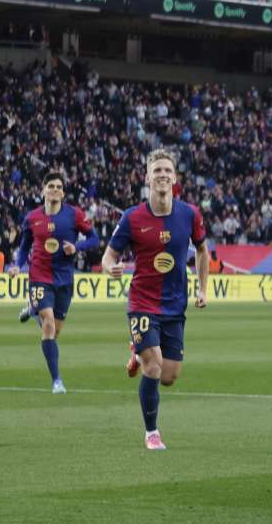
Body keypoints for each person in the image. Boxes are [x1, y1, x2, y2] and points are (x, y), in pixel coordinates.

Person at [102, 149, 209, 450]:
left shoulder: (190, 214)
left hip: (175, 304)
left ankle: (137, 351)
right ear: (147, 177)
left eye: (167, 170)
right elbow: (108, 256)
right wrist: (112, 268)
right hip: (142, 303)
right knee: (154, 367)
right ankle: (152, 433)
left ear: (175, 178)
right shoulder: (132, 218)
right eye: (157, 170)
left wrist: (203, 289)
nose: (162, 175)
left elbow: (202, 251)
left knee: (170, 376)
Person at [10, 171, 97, 393]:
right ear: (43, 190)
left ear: (63, 192)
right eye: (51, 185)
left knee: (54, 332)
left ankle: (33, 310)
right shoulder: (32, 218)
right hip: (39, 276)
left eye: (59, 186)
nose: (55, 189)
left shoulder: (74, 215)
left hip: (64, 279)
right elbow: (24, 247)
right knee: (47, 324)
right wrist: (18, 266)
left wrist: (76, 247)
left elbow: (94, 239)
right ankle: (57, 381)